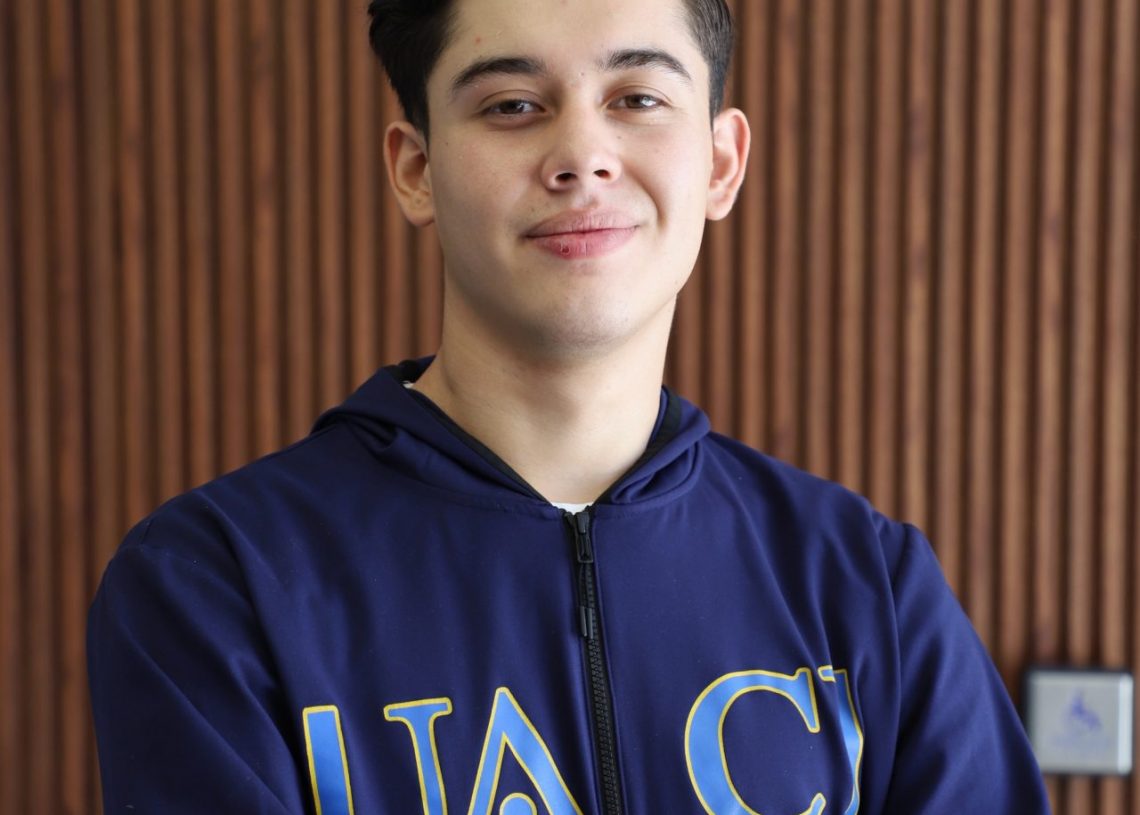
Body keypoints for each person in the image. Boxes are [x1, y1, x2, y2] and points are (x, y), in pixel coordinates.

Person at [87, 0, 1051, 812]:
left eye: (637, 98)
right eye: (512, 105)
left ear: (721, 162)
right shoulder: (217, 585)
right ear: (416, 170)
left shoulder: (869, 586)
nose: (583, 154)